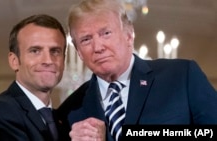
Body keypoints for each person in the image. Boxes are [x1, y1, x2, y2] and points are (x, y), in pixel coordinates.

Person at [57, 0, 217, 141]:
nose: (98, 47)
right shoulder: (70, 111)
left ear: (128, 35)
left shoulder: (181, 76)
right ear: (78, 52)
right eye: (86, 40)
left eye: (106, 33)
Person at [0, 14, 67, 141]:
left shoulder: (62, 119)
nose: (48, 60)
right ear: (14, 61)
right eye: (35, 51)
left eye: (55, 51)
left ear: (64, 60)